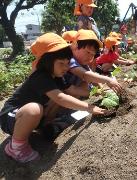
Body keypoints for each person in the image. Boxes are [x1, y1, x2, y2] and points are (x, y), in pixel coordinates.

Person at [0, 33, 107, 163]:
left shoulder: (57, 77)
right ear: (47, 61)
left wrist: (95, 92)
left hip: (33, 117)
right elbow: (60, 98)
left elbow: (71, 91)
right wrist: (90, 107)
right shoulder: (40, 76)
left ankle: (44, 126)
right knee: (34, 109)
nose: (66, 68)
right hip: (11, 116)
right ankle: (16, 147)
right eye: (61, 63)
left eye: (68, 63)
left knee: (51, 105)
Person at [63, 29, 122, 98]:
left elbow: (91, 76)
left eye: (92, 54)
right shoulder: (69, 59)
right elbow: (86, 75)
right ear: (75, 46)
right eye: (88, 52)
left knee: (85, 83)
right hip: (63, 91)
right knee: (84, 84)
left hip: (72, 88)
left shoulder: (81, 61)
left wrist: (101, 89)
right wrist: (108, 80)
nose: (90, 57)